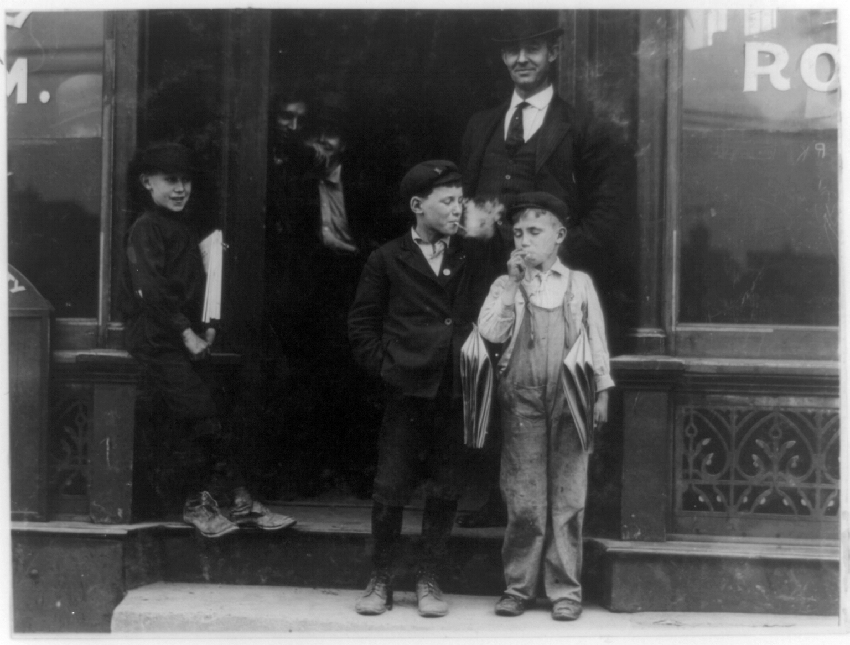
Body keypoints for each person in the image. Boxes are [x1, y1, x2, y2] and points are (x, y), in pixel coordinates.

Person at [458, 11, 625, 528]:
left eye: (533, 48)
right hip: (492, 286)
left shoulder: (584, 127)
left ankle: (552, 513)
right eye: (512, 49)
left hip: (553, 293)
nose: (521, 59)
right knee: (487, 381)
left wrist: (555, 265)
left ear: (554, 52)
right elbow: (469, 205)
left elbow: (606, 213)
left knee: (547, 393)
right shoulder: (481, 124)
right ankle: (486, 496)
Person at [347, 160, 505, 618]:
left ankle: (428, 579)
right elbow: (362, 324)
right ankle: (380, 580)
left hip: (455, 389)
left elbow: (491, 312)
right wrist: (386, 369)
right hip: (405, 388)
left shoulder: (472, 257)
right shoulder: (386, 258)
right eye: (448, 201)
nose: (458, 209)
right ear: (418, 206)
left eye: (461, 201)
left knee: (446, 486)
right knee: (390, 486)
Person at [121, 142, 296, 537]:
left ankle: (236, 501)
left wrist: (208, 325)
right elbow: (151, 291)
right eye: (171, 180)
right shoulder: (145, 228)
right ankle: (200, 505)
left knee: (209, 415)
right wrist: (186, 334)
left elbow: (198, 285)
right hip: (156, 341)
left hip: (180, 339)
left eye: (185, 181)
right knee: (199, 415)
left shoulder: (180, 229)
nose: (181, 188)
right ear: (147, 182)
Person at [477, 192, 613, 621]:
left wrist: (602, 391)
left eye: (534, 231)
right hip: (521, 396)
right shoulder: (506, 283)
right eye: (517, 233)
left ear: (559, 235)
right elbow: (490, 333)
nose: (524, 240)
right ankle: (518, 586)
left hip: (571, 394)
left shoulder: (578, 284)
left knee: (569, 495)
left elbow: (596, 340)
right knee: (523, 495)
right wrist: (512, 282)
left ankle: (565, 590)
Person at [264, 96, 380, 497]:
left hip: (358, 280)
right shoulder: (293, 179)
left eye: (330, 136)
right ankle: (309, 472)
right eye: (315, 137)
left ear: (343, 143)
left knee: (357, 374)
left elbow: (383, 237)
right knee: (309, 377)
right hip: (313, 285)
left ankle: (359, 471)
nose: (321, 144)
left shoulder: (365, 182)